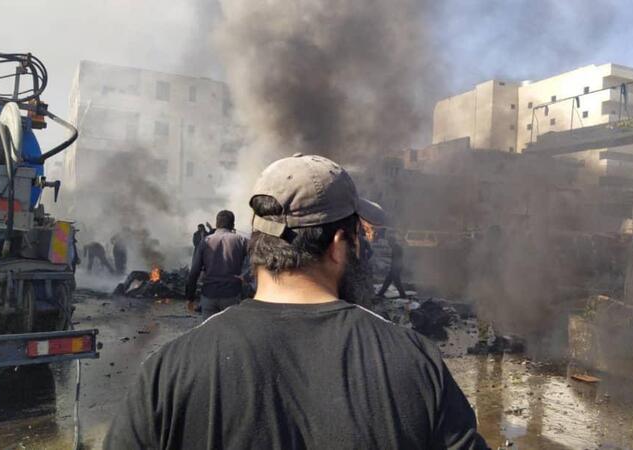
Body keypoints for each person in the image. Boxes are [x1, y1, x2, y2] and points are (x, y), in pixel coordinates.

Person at [104, 154, 488, 449]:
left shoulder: (168, 370)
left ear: (257, 243)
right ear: (339, 245)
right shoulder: (416, 362)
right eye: (357, 235)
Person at [185, 210, 249, 319]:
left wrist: (190, 297)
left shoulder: (205, 241)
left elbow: (194, 272)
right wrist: (246, 276)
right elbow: (258, 260)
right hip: (231, 295)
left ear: (216, 224)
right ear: (233, 224)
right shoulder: (241, 240)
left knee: (209, 328)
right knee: (230, 328)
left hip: (209, 295)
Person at [377, 233, 407, 298]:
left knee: (396, 282)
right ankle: (380, 294)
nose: (388, 243)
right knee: (388, 281)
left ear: (392, 241)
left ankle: (403, 295)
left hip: (396, 268)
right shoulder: (396, 247)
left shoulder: (396, 248)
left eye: (389, 242)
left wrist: (393, 268)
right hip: (395, 267)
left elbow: (396, 260)